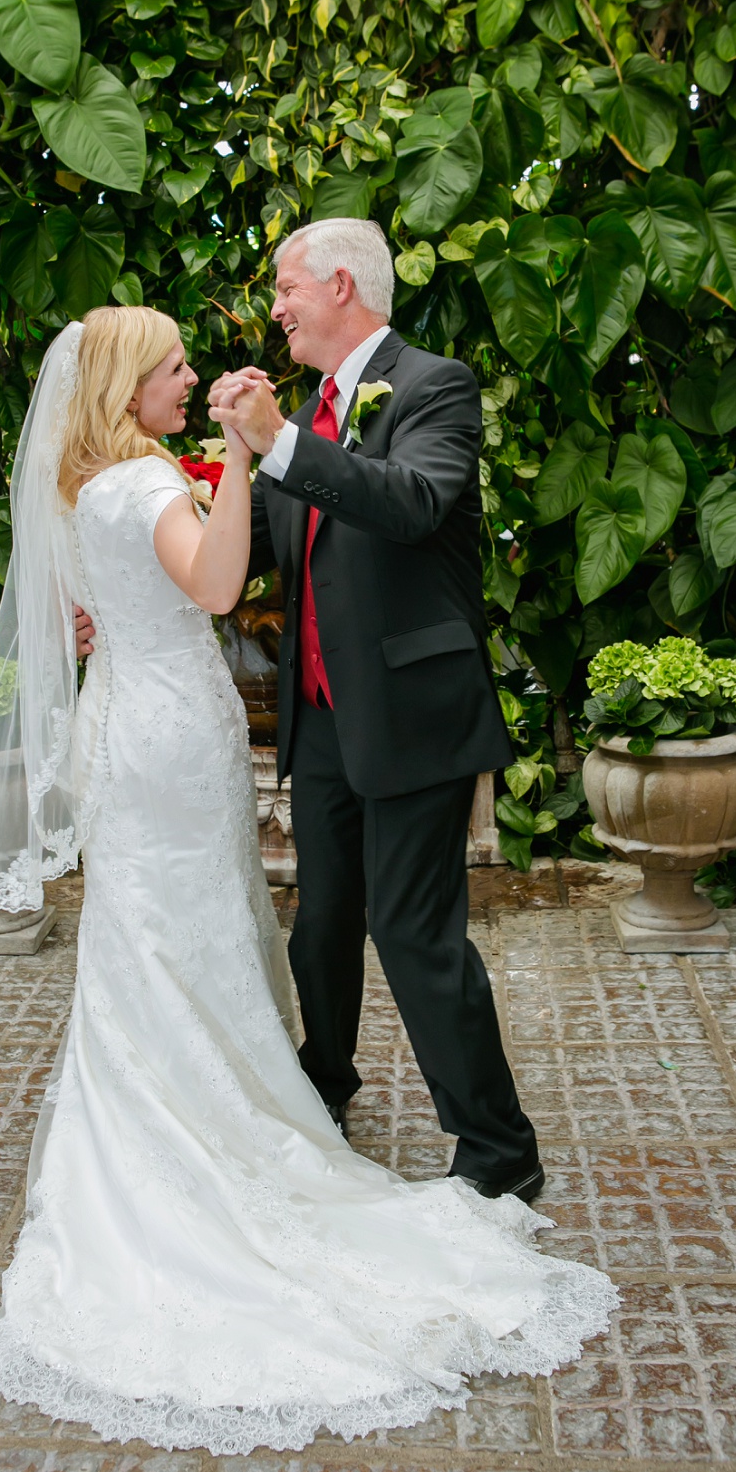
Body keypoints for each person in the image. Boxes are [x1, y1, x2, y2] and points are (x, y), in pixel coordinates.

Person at [0, 302, 616, 1456]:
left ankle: (309, 1105)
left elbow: (375, 512)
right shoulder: (145, 480)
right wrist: (246, 462)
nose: (194, 371)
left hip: (156, 726)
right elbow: (220, 583)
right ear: (126, 387)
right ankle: (241, 1112)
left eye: (283, 292)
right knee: (214, 926)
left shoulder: (98, 480)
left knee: (182, 936)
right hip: (171, 736)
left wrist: (241, 467)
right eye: (170, 366)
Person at [205, 216, 540, 1200]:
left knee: (411, 931)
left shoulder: (435, 387)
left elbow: (411, 501)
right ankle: (324, 1093)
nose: (275, 307)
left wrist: (281, 444)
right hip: (321, 722)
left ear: (341, 286)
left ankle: (499, 1152)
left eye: (286, 288)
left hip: (413, 712)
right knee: (321, 924)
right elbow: (260, 553)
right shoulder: (304, 415)